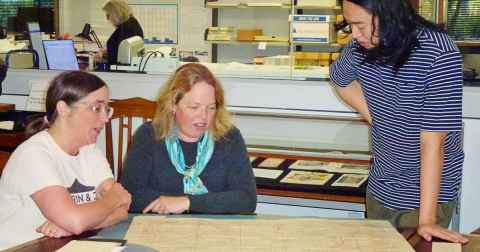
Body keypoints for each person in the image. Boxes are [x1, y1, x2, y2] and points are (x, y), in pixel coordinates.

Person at [330, 0, 468, 244]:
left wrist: (427, 219)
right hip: (381, 189)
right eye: (350, 25)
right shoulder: (361, 47)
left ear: (388, 15)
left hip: (425, 198)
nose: (354, 34)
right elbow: (340, 79)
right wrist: (377, 118)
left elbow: (433, 143)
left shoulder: (439, 52)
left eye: (360, 25)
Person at [0, 71, 131, 249]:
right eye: (96, 108)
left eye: (107, 109)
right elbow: (79, 218)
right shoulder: (34, 154)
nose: (105, 118)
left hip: (63, 243)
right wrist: (113, 198)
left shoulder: (88, 150)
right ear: (64, 109)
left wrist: (73, 227)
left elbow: (122, 209)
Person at [121, 63, 257, 214]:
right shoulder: (149, 136)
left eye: (211, 108)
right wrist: (212, 202)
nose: (203, 117)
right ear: (173, 104)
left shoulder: (229, 137)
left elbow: (247, 199)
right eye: (194, 107)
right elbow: (129, 195)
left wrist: (187, 203)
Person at [94, 0, 144, 66]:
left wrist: (103, 55)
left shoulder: (127, 28)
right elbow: (120, 48)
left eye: (108, 15)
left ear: (116, 13)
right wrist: (106, 51)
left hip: (120, 72)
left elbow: (119, 57)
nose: (107, 18)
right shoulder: (130, 23)